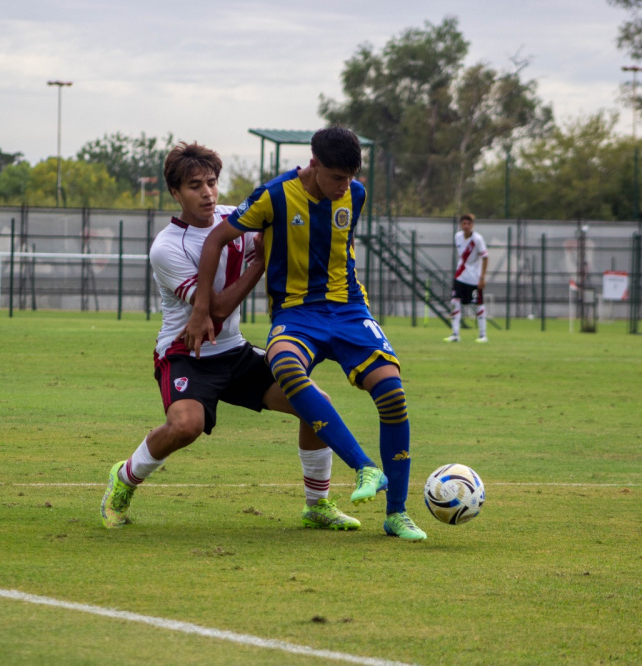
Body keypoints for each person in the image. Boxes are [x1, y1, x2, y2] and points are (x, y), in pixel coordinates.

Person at [183, 127, 427, 541]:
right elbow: (216, 242)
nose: (343, 187)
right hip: (296, 314)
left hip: (350, 310)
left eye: (349, 178)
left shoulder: (356, 195)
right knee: (285, 366)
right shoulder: (273, 196)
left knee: (392, 393)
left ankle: (396, 514)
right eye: (336, 177)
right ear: (313, 165)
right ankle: (364, 466)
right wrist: (202, 310)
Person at [101, 142, 360, 532]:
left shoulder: (233, 217)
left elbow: (280, 210)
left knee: (315, 404)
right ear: (175, 193)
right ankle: (123, 479)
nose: (207, 193)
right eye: (194, 186)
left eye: (211, 182)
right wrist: (261, 261)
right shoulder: (167, 248)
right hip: (186, 354)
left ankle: (317, 505)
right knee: (185, 426)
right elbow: (216, 308)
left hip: (234, 351)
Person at [444, 213, 489, 343]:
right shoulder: (457, 237)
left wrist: (482, 277)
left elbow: (485, 257)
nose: (466, 226)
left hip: (474, 279)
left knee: (478, 305)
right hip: (460, 276)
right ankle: (455, 334)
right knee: (455, 303)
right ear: (461, 225)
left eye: (469, 224)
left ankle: (482, 335)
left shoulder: (477, 239)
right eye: (464, 223)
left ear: (472, 225)